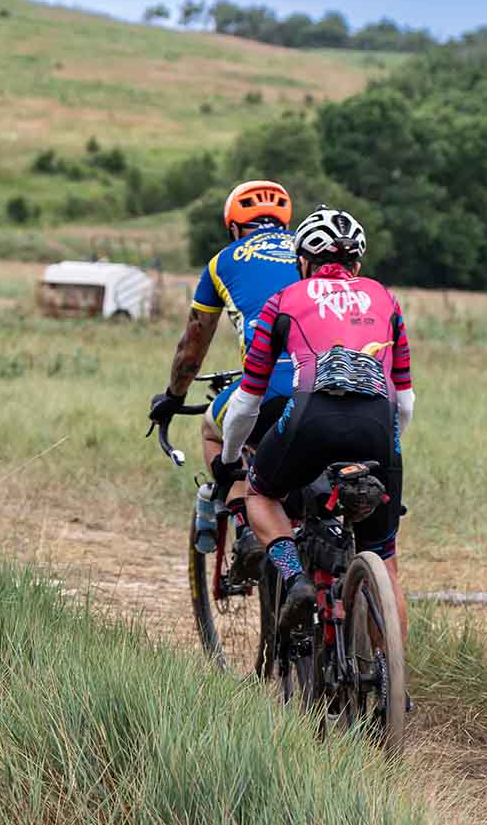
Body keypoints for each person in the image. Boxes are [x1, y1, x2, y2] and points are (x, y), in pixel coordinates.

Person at [219, 207, 412, 636]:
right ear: (357, 263)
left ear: (301, 262)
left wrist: (231, 457)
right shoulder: (385, 298)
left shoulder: (283, 301)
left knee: (261, 493)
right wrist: (388, 453)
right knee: (386, 559)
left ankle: (295, 578)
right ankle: (392, 680)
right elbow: (407, 402)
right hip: (380, 427)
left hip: (309, 416)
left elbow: (248, 400)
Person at [147, 180, 300, 518]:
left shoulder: (222, 263)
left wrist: (174, 396)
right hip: (331, 381)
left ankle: (242, 514)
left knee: (211, 429)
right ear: (286, 224)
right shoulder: (314, 255)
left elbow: (193, 344)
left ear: (233, 227)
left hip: (270, 386)